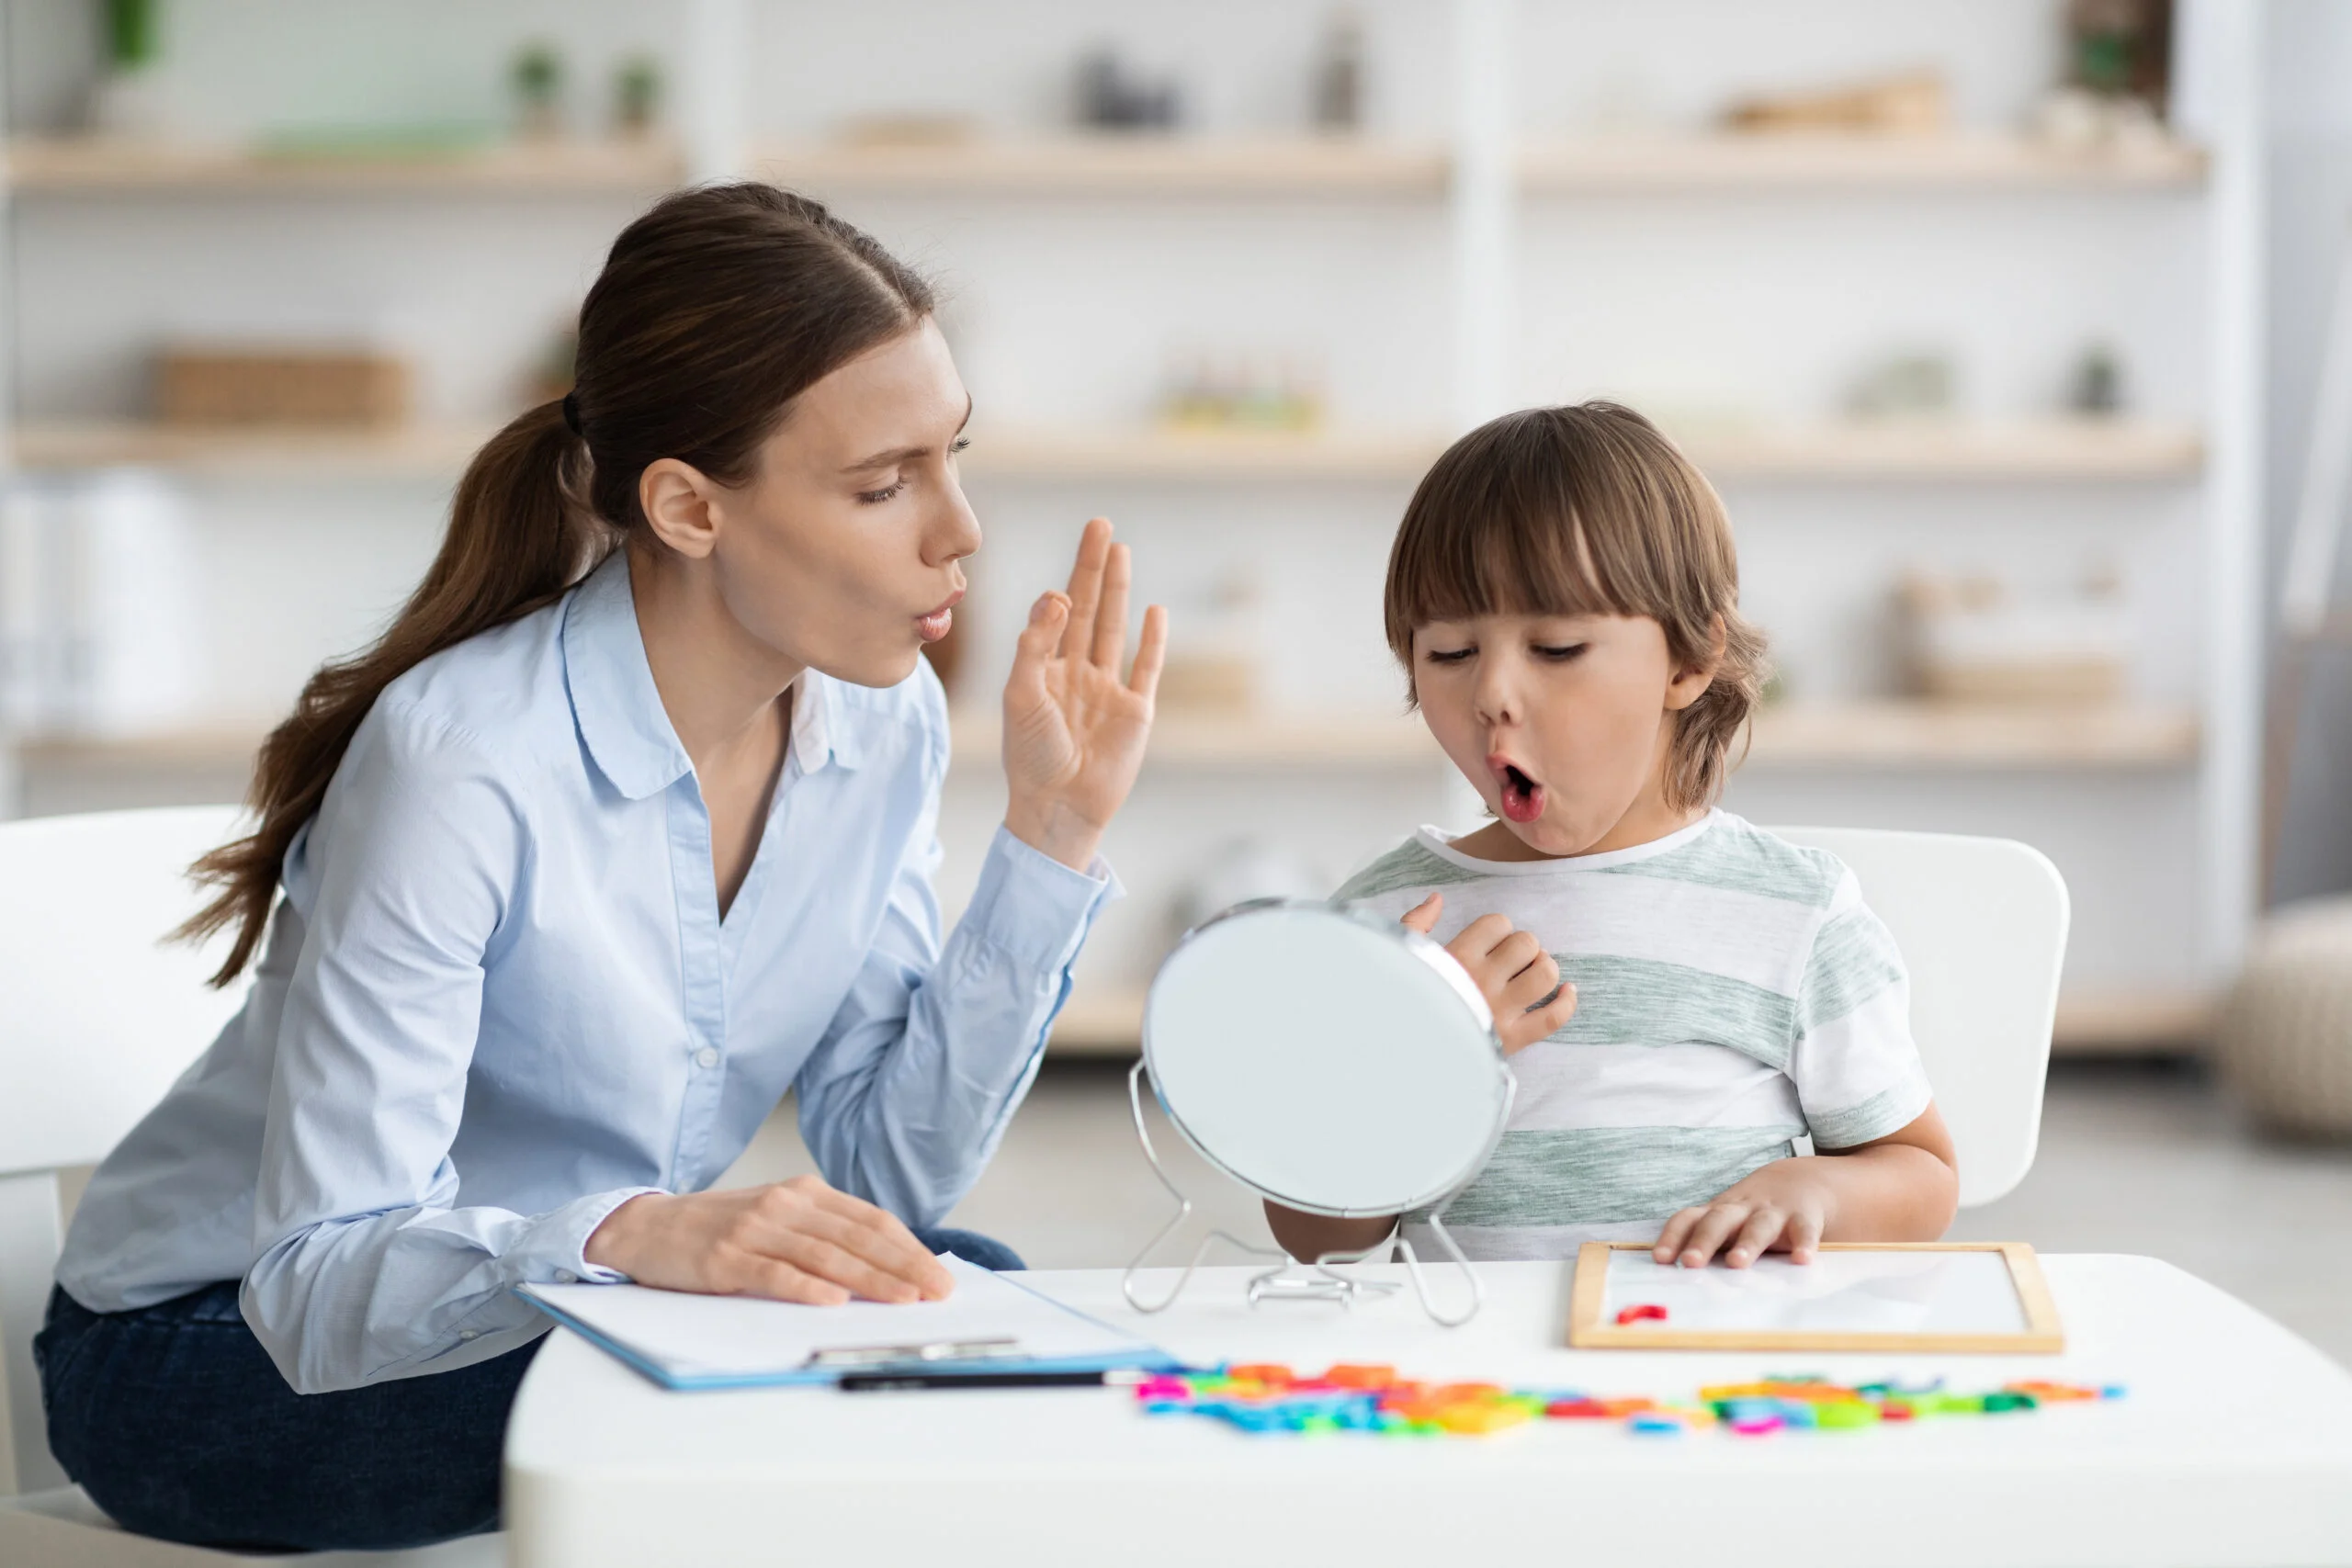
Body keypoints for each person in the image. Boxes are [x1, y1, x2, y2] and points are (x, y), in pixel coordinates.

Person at [37, 183, 1167, 1552]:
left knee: (966, 1294)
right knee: (745, 1387)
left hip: (554, 1303)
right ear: (690, 506)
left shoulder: (883, 721)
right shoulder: (461, 760)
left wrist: (1052, 835)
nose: (962, 528)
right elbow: (320, 1287)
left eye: (954, 455)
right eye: (884, 483)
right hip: (206, 1351)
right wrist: (632, 1235)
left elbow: (889, 1171)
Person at [1264, 401, 1958, 1269]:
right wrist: (1413, 1070)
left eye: (1554, 647)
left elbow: (1922, 1174)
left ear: (1689, 660)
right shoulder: (1386, 920)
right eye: (1448, 653)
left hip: (1698, 1380)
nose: (1493, 695)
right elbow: (1308, 1235)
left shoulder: (1795, 912)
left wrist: (1816, 1190)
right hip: (1466, 1388)